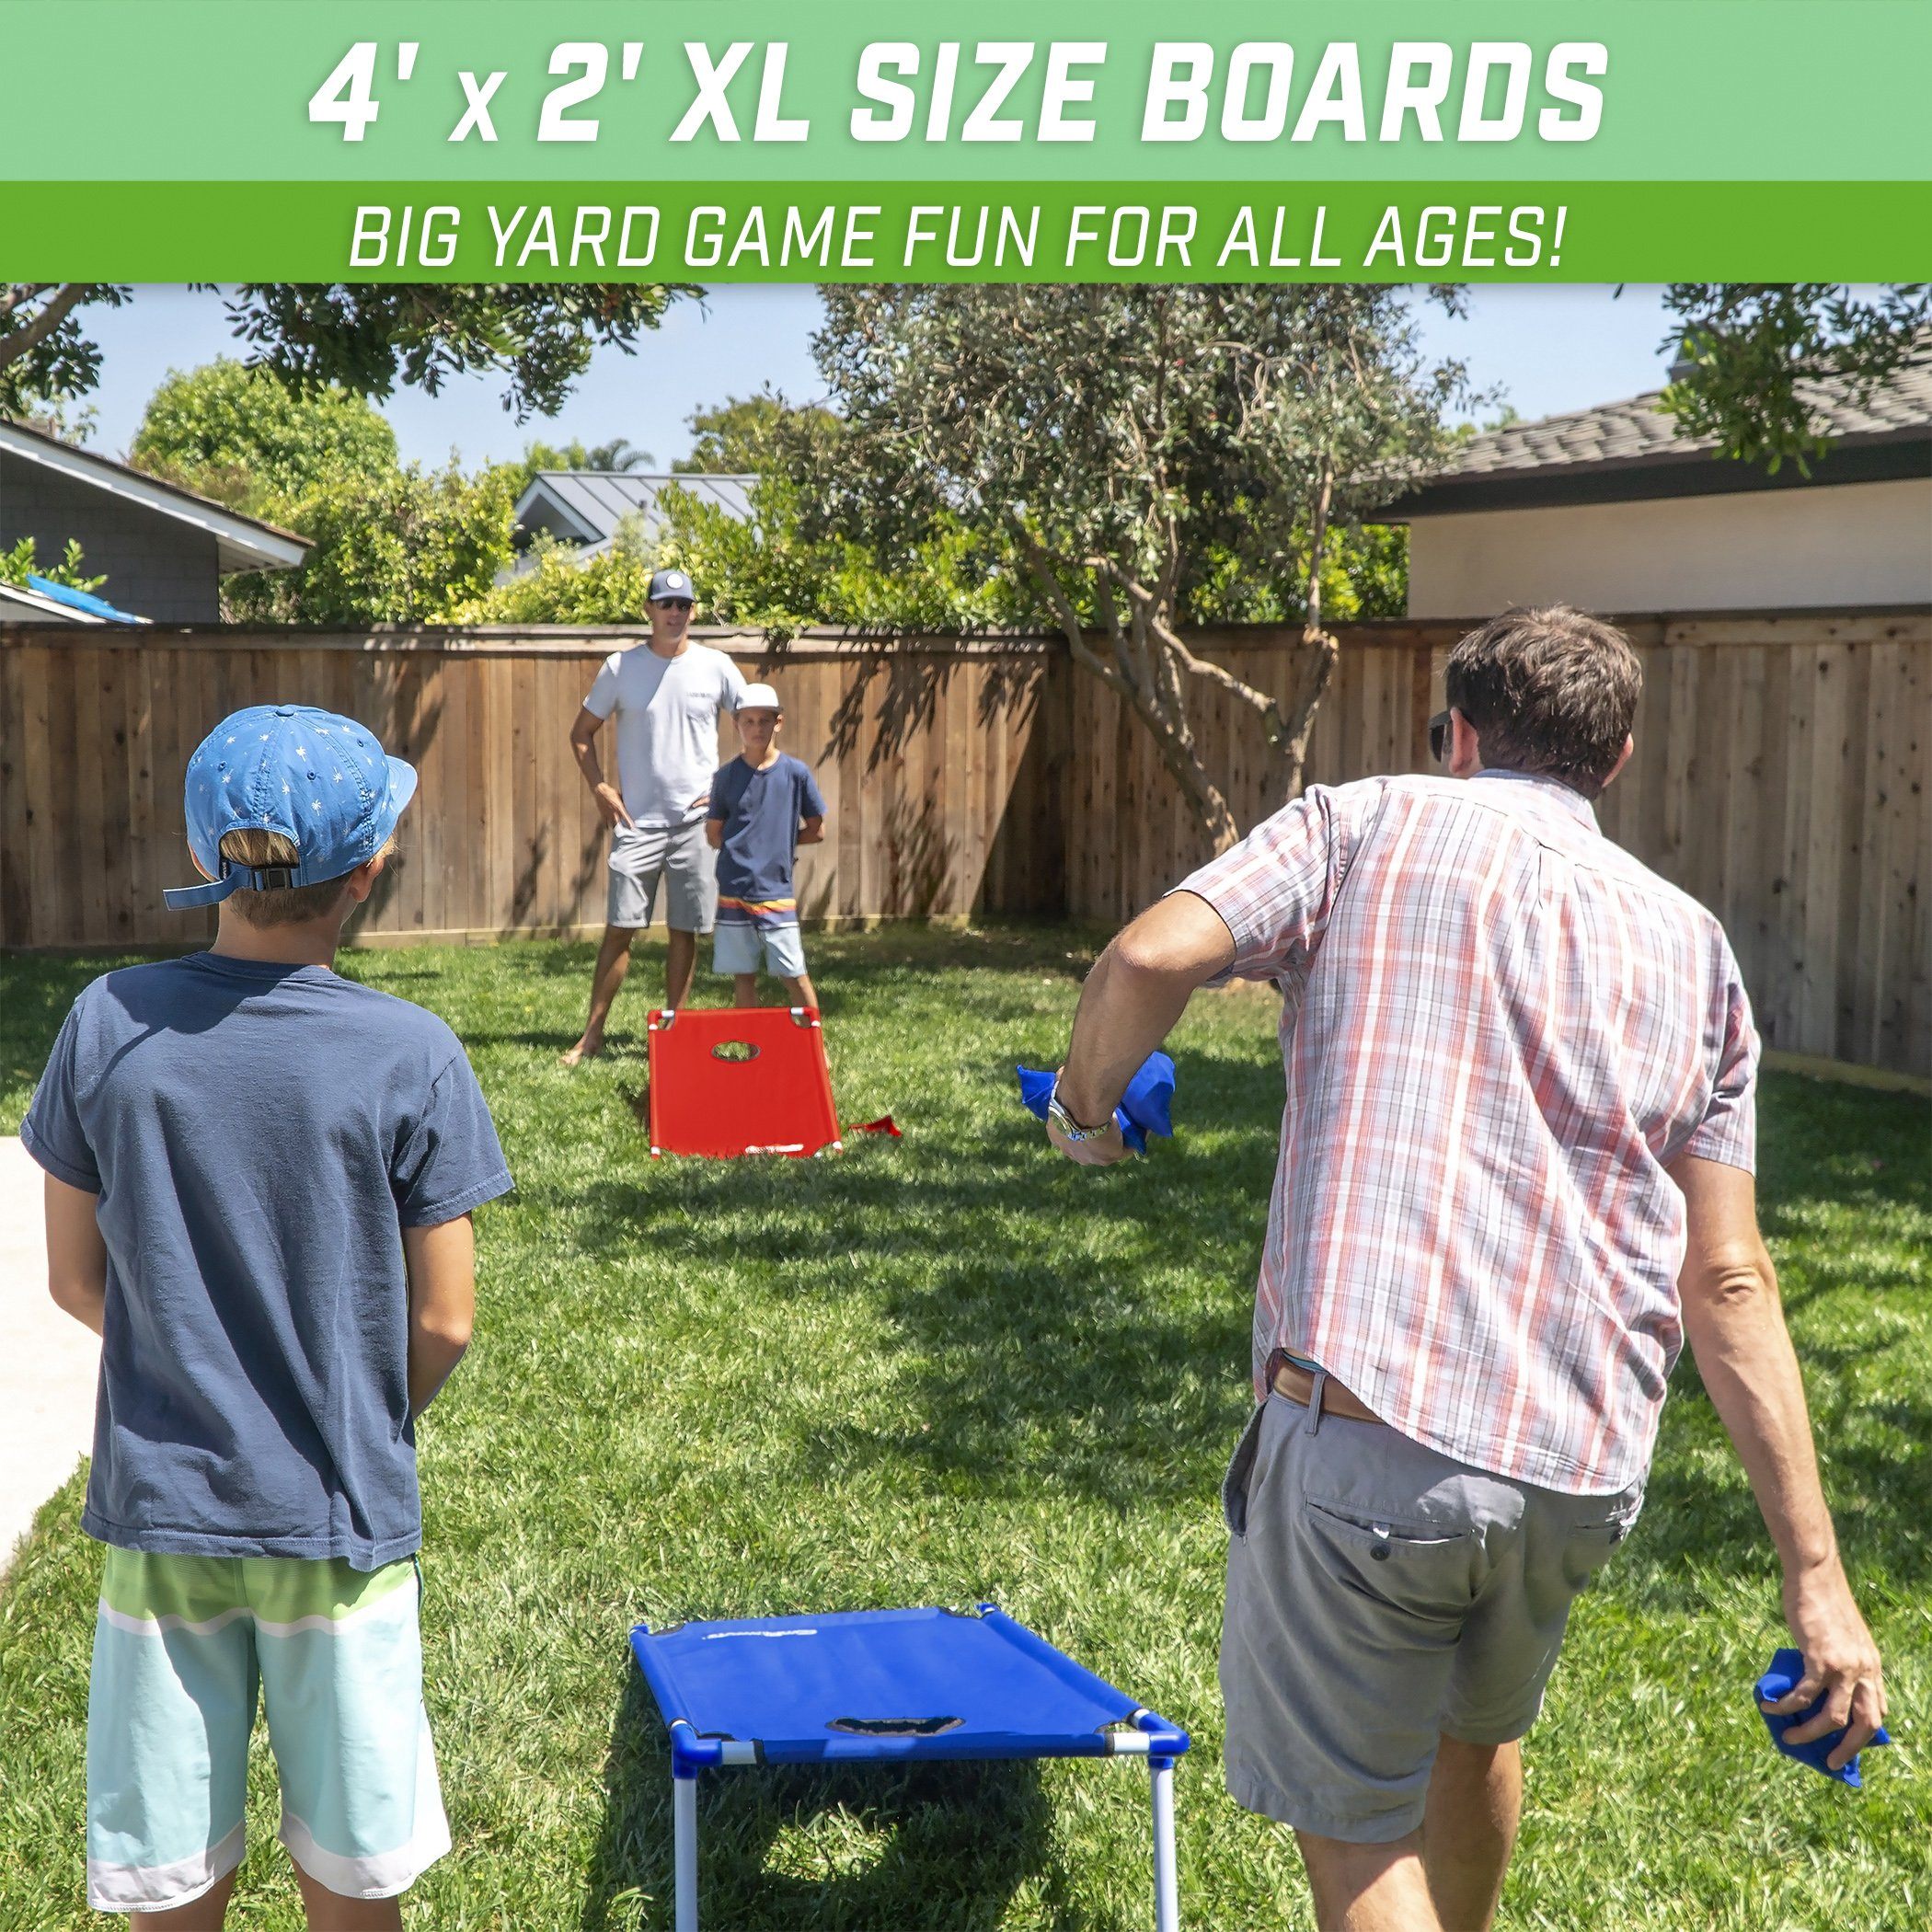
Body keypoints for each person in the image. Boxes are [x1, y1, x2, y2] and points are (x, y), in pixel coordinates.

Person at [1043, 607, 1887, 1932]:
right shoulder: (1694, 946)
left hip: (1375, 1449)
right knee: (1472, 1743)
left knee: (1358, 1843)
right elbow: (1728, 1284)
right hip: (1574, 1479)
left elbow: (1154, 954)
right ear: (1612, 764)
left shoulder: (1361, 823)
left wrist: (1085, 1112)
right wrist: (1818, 1579)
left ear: (1460, 735)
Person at [23, 704, 513, 1929]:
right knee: (352, 1874)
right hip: (337, 1520)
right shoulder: (413, 1054)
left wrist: (190, 1355)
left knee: (172, 1877)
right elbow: (447, 1323)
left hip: (162, 1521)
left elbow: (75, 1281)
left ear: (205, 858)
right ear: (372, 871)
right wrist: (349, 1407)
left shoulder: (106, 1022)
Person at [563, 567, 748, 1062]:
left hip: (695, 826)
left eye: (683, 605)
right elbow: (581, 733)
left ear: (693, 610)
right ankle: (592, 1037)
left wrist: (724, 793)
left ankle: (677, 1033)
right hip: (635, 825)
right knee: (620, 928)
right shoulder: (621, 668)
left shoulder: (717, 666)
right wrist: (600, 787)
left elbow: (756, 728)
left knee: (684, 930)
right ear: (648, 610)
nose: (674, 613)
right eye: (665, 605)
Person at [705, 682, 827, 1010]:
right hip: (733, 889)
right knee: (743, 973)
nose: (757, 728)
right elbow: (714, 832)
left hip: (775, 889)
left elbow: (817, 829)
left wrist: (780, 840)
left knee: (793, 971)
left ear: (778, 723)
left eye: (764, 721)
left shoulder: (795, 774)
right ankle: (750, 1049)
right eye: (749, 721)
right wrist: (741, 848)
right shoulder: (725, 777)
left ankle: (815, 1048)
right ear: (736, 725)